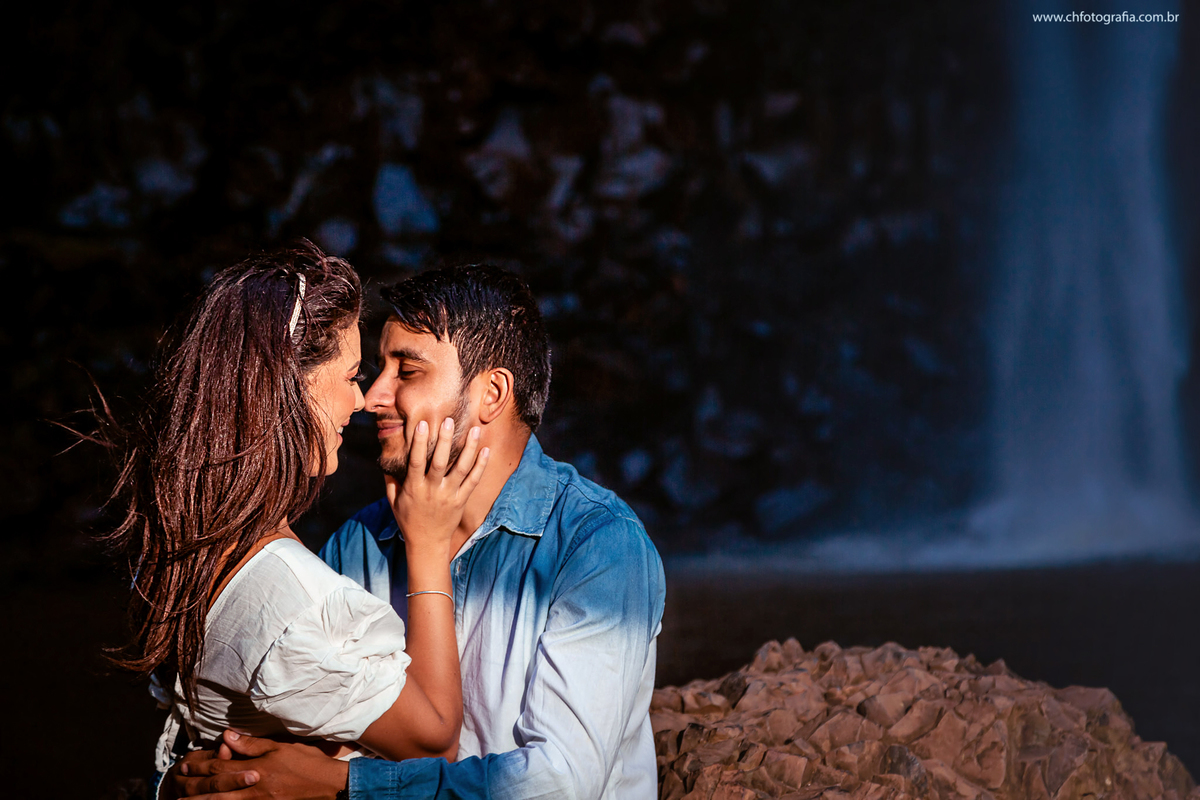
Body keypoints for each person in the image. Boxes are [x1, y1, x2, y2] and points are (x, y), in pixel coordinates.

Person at [170, 265, 667, 799]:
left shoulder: (598, 546)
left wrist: (344, 784)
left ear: (492, 394)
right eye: (376, 369)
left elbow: (559, 784)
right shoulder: (360, 541)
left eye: (406, 372)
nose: (373, 397)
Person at [97, 242, 488, 797]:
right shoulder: (293, 603)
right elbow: (434, 742)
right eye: (352, 375)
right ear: (293, 388)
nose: (362, 401)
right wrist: (427, 543)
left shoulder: (189, 543)